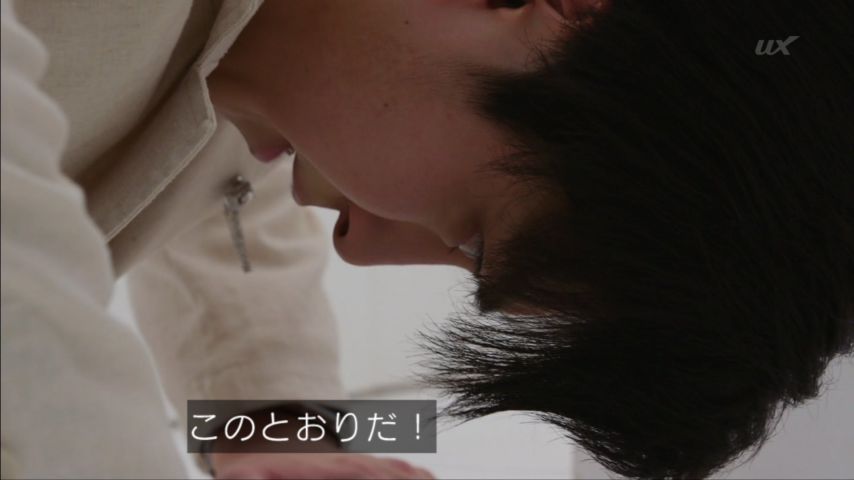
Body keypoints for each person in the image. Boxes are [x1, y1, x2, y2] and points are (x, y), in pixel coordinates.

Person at [3, 0, 852, 479]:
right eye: (472, 240)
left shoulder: (286, 60)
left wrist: (276, 422)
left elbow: (213, 186)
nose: (357, 250)